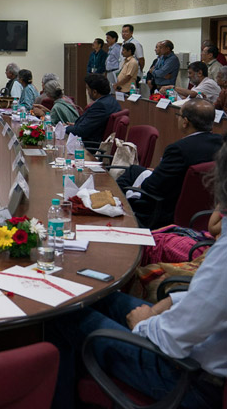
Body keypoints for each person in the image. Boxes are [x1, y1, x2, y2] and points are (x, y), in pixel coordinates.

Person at [48, 139, 227, 409]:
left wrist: (144, 322)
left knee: (63, 310)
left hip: (189, 379)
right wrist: (174, 301)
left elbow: (171, 340)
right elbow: (214, 304)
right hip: (198, 350)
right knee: (91, 292)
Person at [116, 99, 223, 228]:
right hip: (207, 208)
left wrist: (140, 186)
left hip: (165, 210)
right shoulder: (222, 144)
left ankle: (113, 210)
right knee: (134, 170)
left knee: (126, 182)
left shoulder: (179, 149)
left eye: (179, 115)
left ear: (185, 122)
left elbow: (153, 187)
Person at [65, 74, 121, 143]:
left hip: (90, 145)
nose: (87, 92)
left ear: (94, 92)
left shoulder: (100, 106)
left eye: (87, 89)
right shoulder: (112, 100)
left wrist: (64, 128)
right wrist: (76, 125)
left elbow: (81, 131)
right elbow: (92, 124)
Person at [120, 24, 145, 96]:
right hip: (124, 73)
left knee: (131, 94)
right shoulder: (123, 43)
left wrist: (139, 71)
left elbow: (141, 59)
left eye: (126, 32)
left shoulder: (136, 43)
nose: (124, 34)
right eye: (122, 32)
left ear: (131, 33)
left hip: (132, 75)